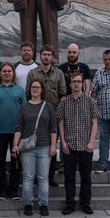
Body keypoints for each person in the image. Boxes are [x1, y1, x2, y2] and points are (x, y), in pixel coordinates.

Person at [11, 80, 57, 216]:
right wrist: (15, 145)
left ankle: (44, 204)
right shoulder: (24, 107)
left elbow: (53, 127)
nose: (35, 89)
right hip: (27, 148)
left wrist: (53, 145)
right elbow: (18, 127)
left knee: (43, 177)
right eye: (32, 87)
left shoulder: (48, 106)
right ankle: (28, 204)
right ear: (29, 89)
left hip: (44, 146)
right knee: (28, 177)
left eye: (37, 87)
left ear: (42, 90)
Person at [57, 72, 100, 215]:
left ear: (82, 83)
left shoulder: (90, 102)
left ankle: (85, 203)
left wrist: (91, 142)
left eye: (79, 81)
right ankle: (70, 204)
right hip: (69, 145)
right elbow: (61, 123)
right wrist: (62, 142)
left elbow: (95, 122)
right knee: (69, 177)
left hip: (85, 145)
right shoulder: (64, 102)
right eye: (74, 81)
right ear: (70, 84)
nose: (76, 84)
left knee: (86, 177)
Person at [26, 45, 66, 186]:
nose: (46, 57)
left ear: (52, 57)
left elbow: (62, 93)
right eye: (44, 54)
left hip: (53, 114)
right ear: (40, 56)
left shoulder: (59, 73)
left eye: (49, 54)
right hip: (36, 115)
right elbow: (28, 93)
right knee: (36, 145)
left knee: (52, 146)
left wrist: (60, 113)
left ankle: (50, 176)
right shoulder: (33, 73)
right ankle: (36, 176)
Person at [0, 62, 26, 199]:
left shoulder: (19, 89)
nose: (7, 73)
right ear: (0, 73)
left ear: (13, 73)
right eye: (4, 71)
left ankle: (14, 190)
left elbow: (24, 111)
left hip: (16, 132)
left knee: (16, 162)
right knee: (0, 163)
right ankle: (3, 190)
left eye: (9, 71)